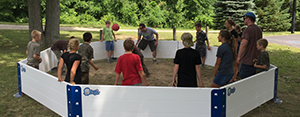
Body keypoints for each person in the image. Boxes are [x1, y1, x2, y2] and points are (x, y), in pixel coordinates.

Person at [237, 12, 263, 79]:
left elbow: (244, 44)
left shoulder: (247, 30)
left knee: (244, 79)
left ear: (248, 19)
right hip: (256, 59)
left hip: (247, 60)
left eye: (244, 18)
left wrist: (239, 56)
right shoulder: (259, 29)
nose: (243, 20)